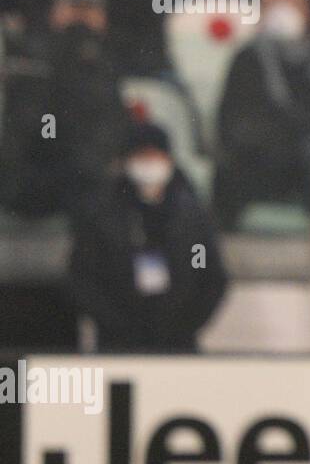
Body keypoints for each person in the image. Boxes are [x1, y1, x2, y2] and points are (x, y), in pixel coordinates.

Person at [69, 122, 228, 353]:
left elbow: (211, 277)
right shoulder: (102, 215)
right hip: (118, 344)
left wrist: (187, 324)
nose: (149, 164)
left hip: (178, 344)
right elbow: (82, 277)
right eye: (141, 156)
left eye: (155, 156)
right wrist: (115, 323)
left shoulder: (192, 217)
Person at [0, 0, 132, 217]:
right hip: (36, 178)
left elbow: (112, 121)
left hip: (88, 180)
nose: (80, 17)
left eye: (88, 9)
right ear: (55, 11)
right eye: (74, 8)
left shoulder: (110, 61)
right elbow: (27, 124)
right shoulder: (30, 56)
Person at [213, 0, 310, 229]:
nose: (282, 12)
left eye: (290, 5)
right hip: (259, 160)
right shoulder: (247, 58)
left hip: (307, 162)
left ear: (305, 12)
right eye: (274, 5)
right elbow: (232, 121)